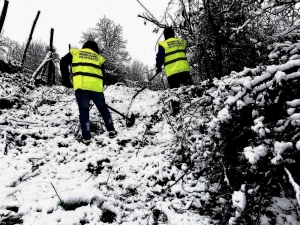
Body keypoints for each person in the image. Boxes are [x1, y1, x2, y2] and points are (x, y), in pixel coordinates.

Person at [60, 40, 117, 144]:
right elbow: (103, 75)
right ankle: (111, 130)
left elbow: (63, 62)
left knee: (84, 111)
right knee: (103, 109)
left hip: (81, 87)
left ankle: (86, 137)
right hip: (96, 88)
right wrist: (99, 86)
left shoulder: (75, 53)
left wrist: (66, 80)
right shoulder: (98, 58)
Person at [156, 27, 193, 114]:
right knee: (191, 88)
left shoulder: (163, 44)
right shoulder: (181, 42)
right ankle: (199, 103)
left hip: (173, 73)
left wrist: (158, 67)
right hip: (184, 71)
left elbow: (160, 57)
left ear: (165, 35)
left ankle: (176, 110)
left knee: (175, 92)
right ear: (173, 34)